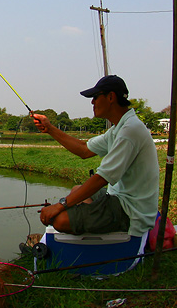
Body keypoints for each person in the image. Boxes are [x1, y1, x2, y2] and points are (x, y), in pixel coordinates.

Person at [31, 75, 159, 238]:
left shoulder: (129, 131)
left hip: (131, 211)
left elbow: (101, 178)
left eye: (95, 97)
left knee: (60, 220)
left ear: (111, 97)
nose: (92, 102)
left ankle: (109, 237)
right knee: (76, 191)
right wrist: (49, 128)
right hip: (119, 198)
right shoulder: (118, 128)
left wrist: (60, 205)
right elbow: (84, 149)